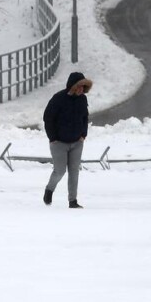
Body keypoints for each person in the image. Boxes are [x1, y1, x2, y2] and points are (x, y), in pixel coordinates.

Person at [41, 71, 92, 208]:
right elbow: (48, 118)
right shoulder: (58, 99)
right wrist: (52, 137)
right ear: (73, 86)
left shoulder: (82, 99)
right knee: (60, 170)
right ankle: (49, 190)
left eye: (84, 87)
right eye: (80, 86)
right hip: (59, 143)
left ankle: (72, 201)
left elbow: (85, 117)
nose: (82, 90)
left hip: (77, 142)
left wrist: (83, 134)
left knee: (74, 171)